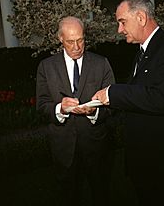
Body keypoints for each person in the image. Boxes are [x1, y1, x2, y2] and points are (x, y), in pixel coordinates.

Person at [92, 0, 164, 206]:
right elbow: (139, 99)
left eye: (122, 22)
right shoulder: (142, 52)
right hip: (145, 163)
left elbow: (161, 99)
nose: (119, 30)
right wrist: (96, 108)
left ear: (140, 17)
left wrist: (113, 93)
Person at [36, 16, 116, 206]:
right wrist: (60, 109)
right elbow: (41, 105)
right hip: (63, 146)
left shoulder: (101, 63)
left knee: (100, 193)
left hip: (96, 144)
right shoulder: (46, 67)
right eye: (70, 41)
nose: (77, 46)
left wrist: (94, 112)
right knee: (68, 196)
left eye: (80, 40)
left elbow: (114, 103)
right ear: (60, 39)